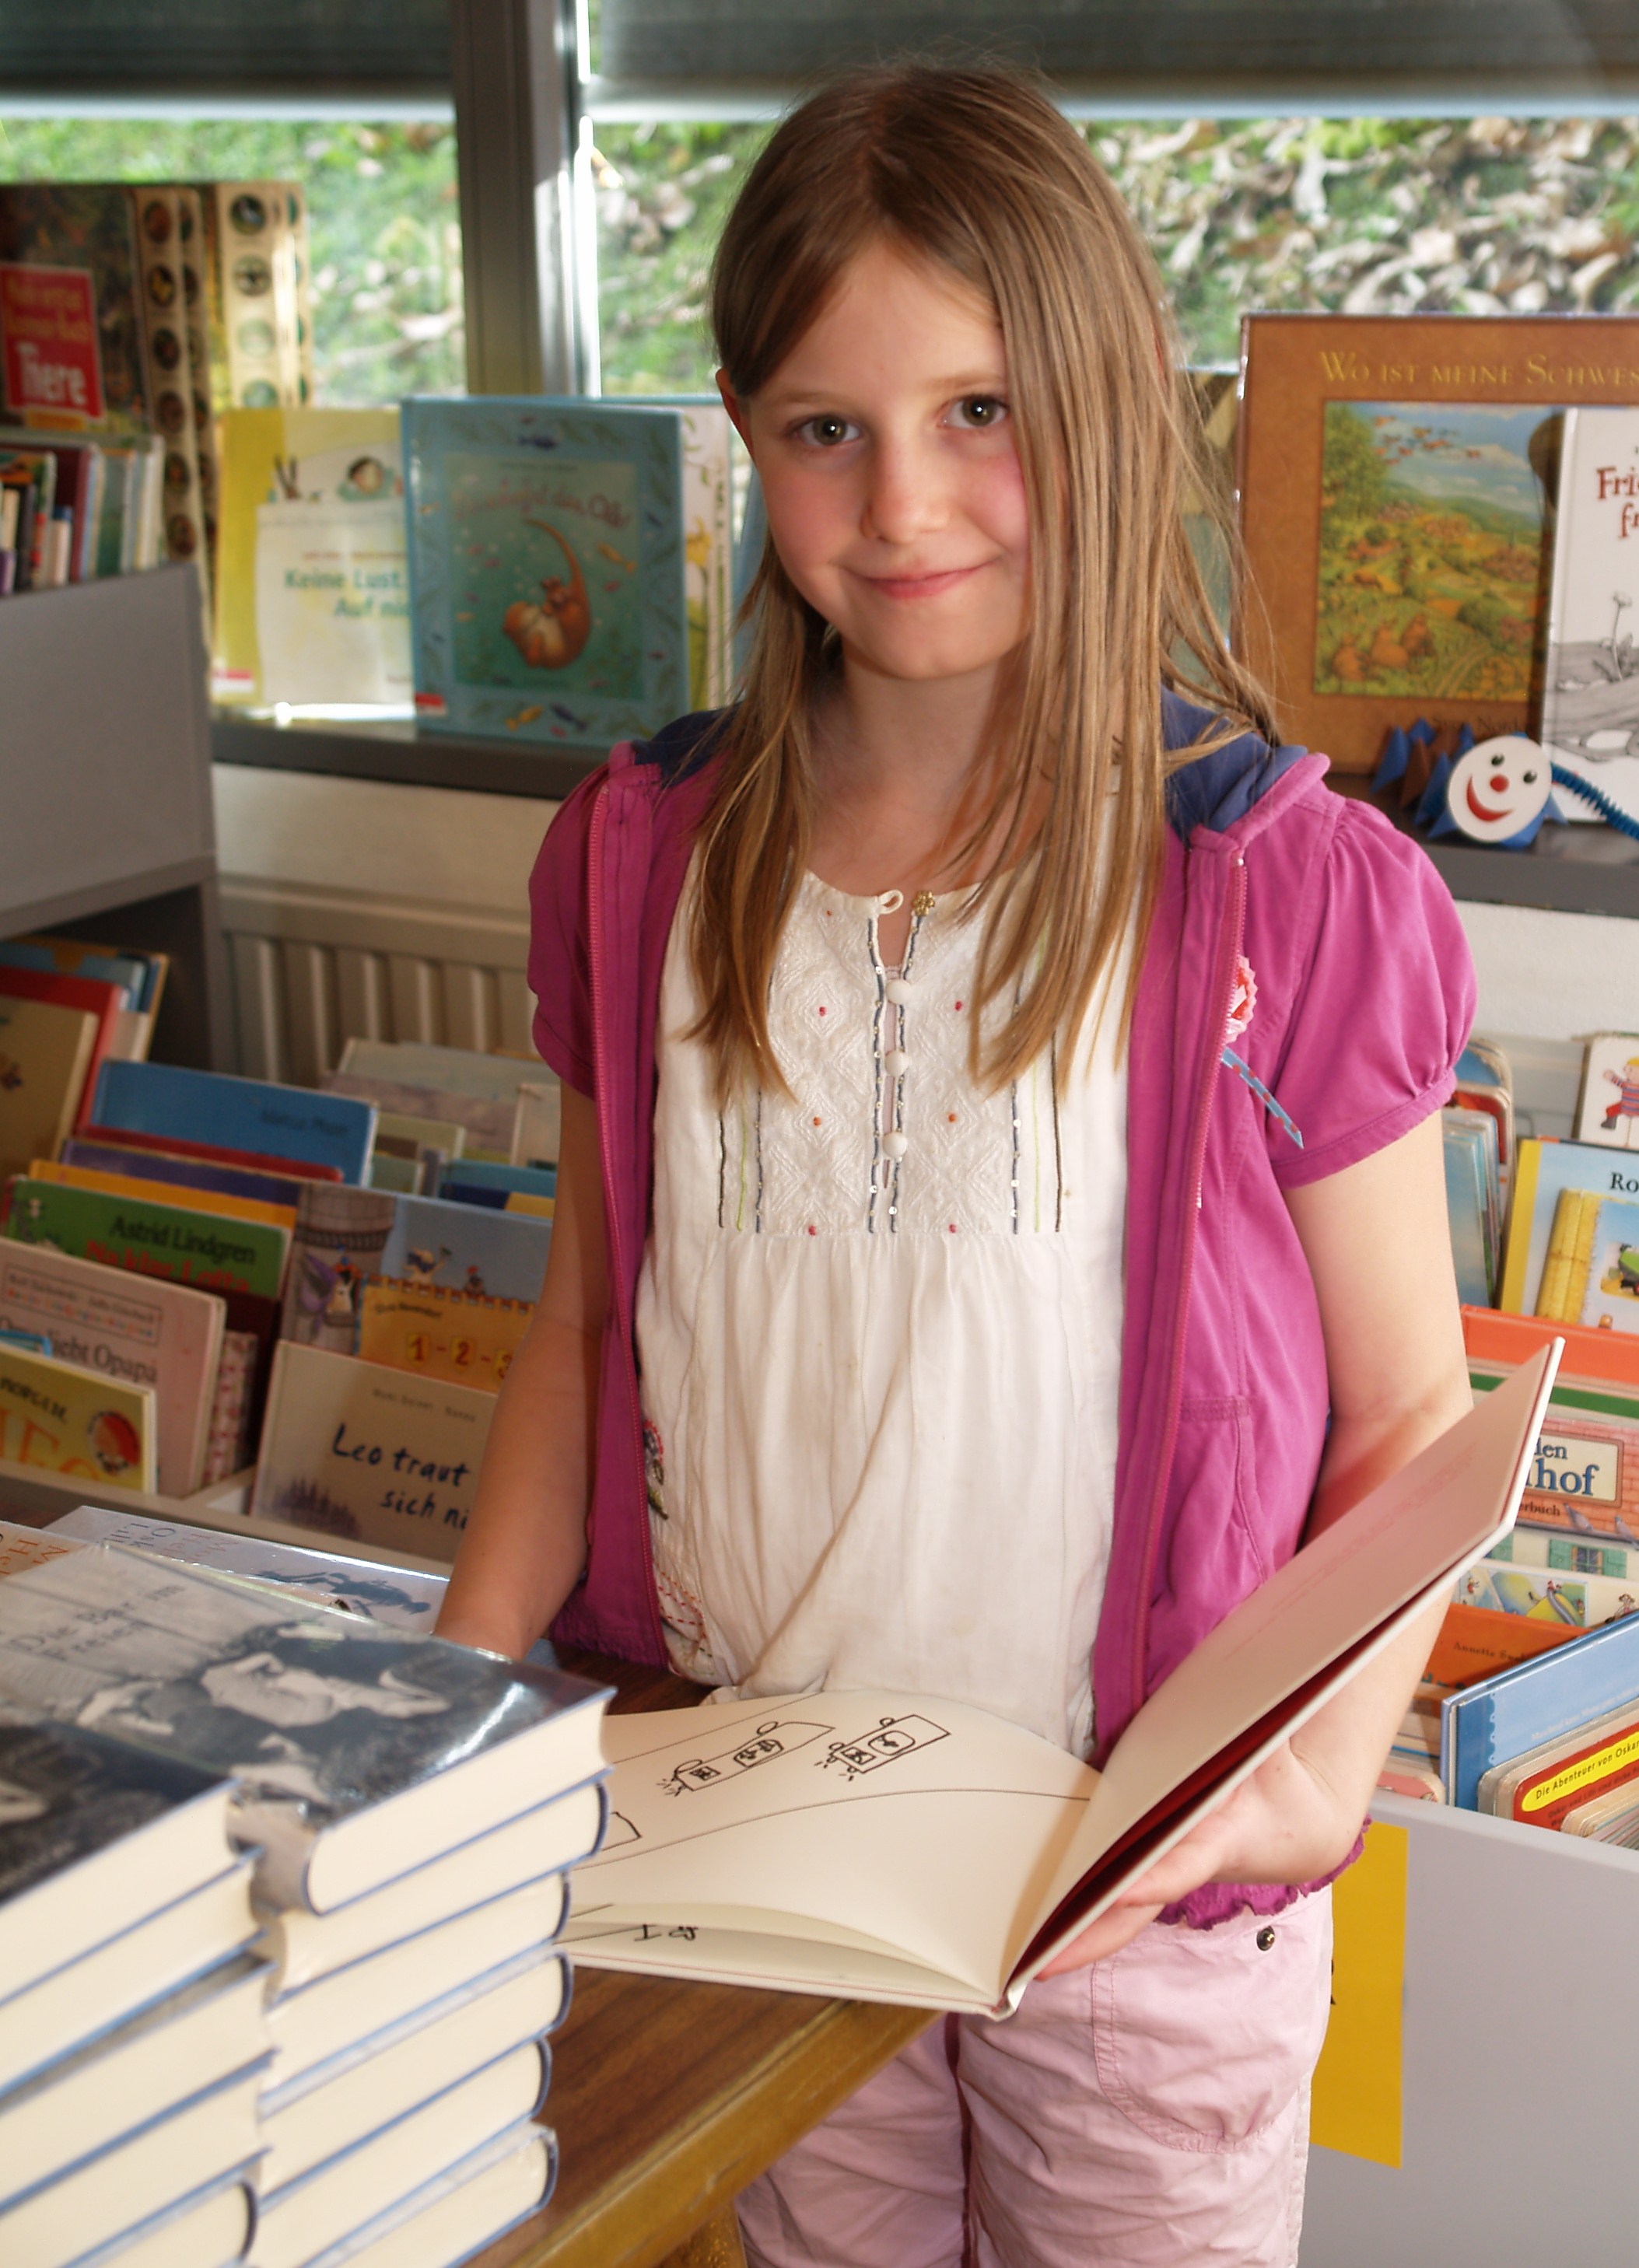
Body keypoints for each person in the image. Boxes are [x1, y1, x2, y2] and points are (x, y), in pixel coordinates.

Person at [438, 61, 1474, 2268]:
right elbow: (581, 1329)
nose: (904, 503)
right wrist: (438, 1707)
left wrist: (1303, 1781)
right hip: (751, 1846)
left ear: (1108, 405)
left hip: (1137, 1893)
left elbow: (1406, 1412)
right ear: (746, 431)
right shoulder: (637, 860)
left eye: (980, 411)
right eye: (829, 426)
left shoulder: (1286, 891)